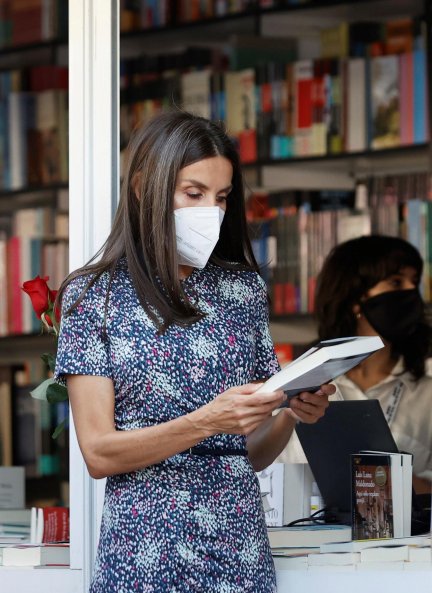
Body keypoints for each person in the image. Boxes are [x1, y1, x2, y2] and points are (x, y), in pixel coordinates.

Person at [54, 110, 332, 593]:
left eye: (222, 197)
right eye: (194, 193)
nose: (213, 211)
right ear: (144, 188)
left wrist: (291, 412)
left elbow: (248, 454)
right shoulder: (91, 297)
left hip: (239, 552)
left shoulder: (242, 291)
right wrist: (207, 421)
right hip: (144, 558)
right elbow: (98, 452)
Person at [277, 235, 432, 496]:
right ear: (355, 299)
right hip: (302, 532)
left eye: (413, 283)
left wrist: (385, 477)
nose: (410, 293)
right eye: (396, 282)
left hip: (405, 536)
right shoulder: (294, 381)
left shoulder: (427, 391)